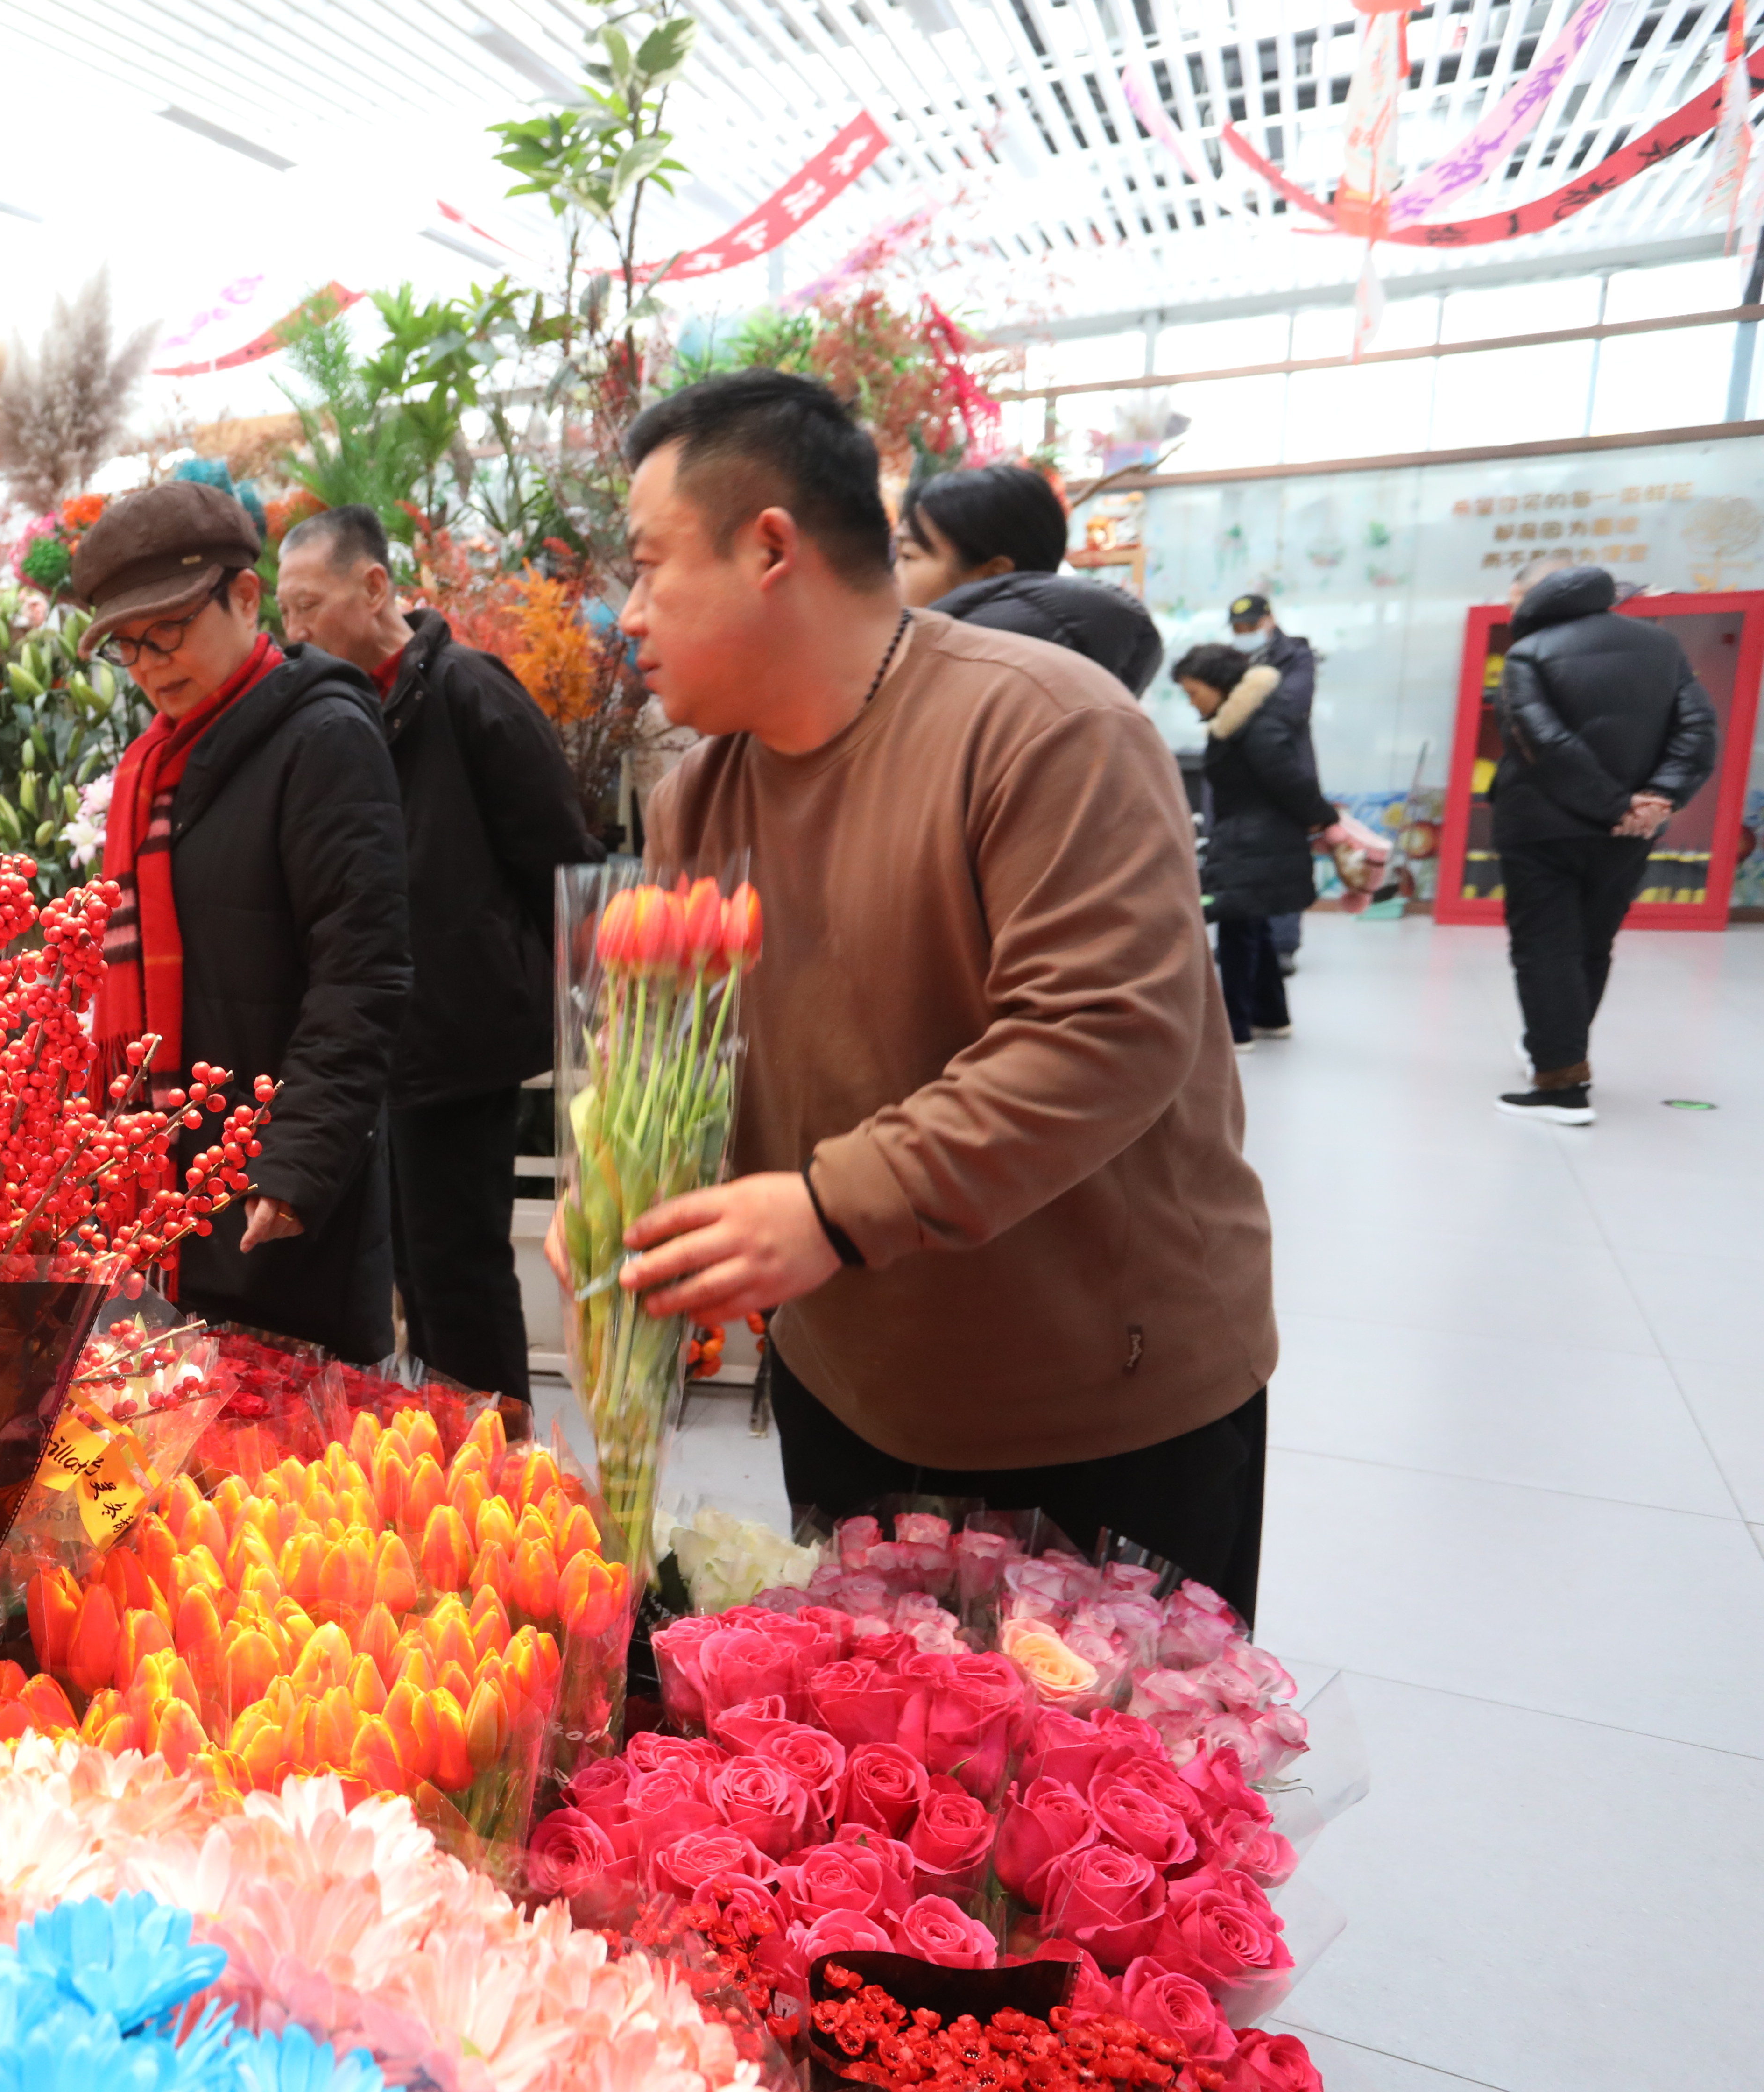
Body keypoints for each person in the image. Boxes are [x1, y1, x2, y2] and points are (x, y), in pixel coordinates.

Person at [565, 369, 1278, 1615]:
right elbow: (691, 1059)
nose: (627, 616)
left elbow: (1104, 1035)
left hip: (1093, 1414)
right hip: (853, 1394)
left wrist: (834, 1211)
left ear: (771, 549)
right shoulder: (700, 795)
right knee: (869, 1780)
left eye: (648, 566)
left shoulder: (1043, 730)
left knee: (1103, 1789)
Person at [77, 482, 412, 1362]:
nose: (149, 664)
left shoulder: (324, 736)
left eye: (170, 629)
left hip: (274, 1203)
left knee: (286, 1475)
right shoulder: (156, 766)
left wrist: (295, 1166)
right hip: (165, 1194)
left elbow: (362, 972)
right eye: (128, 646)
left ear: (247, 597)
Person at [275, 503, 601, 1403]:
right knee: (414, 1270)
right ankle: (447, 1470)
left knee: (457, 1270)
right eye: (284, 613)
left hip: (460, 1035)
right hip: (385, 1038)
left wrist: (592, 1025)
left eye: (308, 606)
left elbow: (561, 862)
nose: (294, 632)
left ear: (375, 586)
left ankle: (498, 1479)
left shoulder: (465, 690)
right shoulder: (334, 715)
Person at [1488, 560, 1720, 1125]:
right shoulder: (1661, 646)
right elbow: (1699, 728)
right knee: (1593, 943)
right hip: (1626, 834)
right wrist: (1656, 799)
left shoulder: (1529, 653)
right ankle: (1559, 1047)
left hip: (1542, 825)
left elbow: (1542, 741)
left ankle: (1561, 1085)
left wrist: (1614, 803)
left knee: (1545, 947)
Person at [1172, 642, 1337, 1054]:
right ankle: (1271, 1016)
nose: (1192, 702)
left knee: (1236, 933)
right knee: (1253, 928)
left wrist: (1323, 817)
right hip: (1253, 838)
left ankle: (1235, 1029)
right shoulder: (1242, 718)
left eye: (1194, 692)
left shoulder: (1255, 723)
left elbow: (1288, 777)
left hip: (1254, 841)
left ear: (1220, 684)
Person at [893, 464, 1164, 694]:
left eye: (908, 556)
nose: (891, 575)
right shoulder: (1078, 675)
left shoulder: (977, 691)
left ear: (993, 573)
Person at [1226, 594, 1319, 970]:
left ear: (1269, 621)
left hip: (1284, 766)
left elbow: (1292, 706)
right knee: (1238, 855)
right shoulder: (1232, 658)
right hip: (1237, 772)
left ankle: (1283, 944)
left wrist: (1238, 708)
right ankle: (1242, 936)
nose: (1243, 634)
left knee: (1284, 854)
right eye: (1237, 629)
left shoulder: (1297, 656)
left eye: (1250, 626)